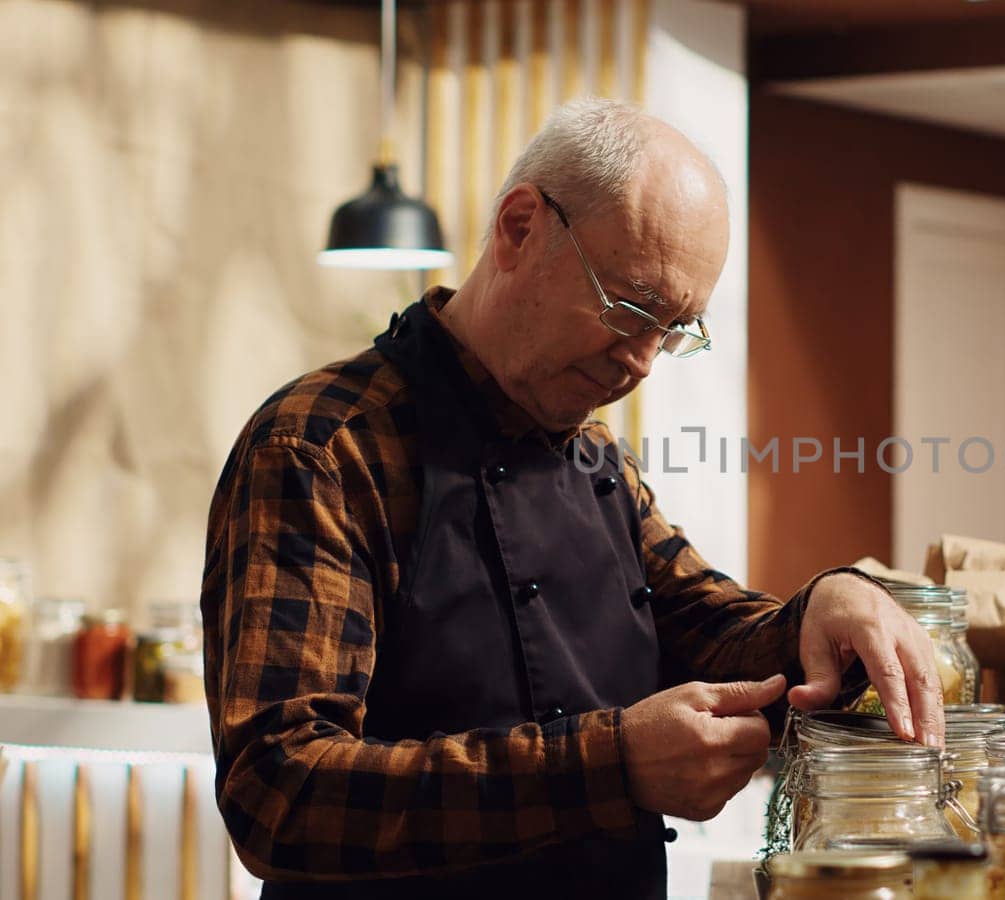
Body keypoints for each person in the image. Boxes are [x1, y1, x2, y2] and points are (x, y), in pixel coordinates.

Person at [199, 99, 945, 898]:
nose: (644, 361)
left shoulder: (598, 461)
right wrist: (613, 764)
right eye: (629, 308)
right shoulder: (323, 449)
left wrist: (826, 606)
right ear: (520, 228)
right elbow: (281, 794)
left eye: (675, 328)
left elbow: (709, 625)